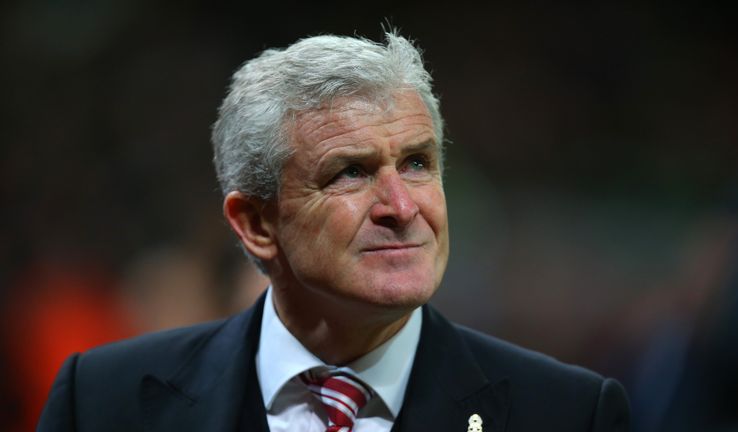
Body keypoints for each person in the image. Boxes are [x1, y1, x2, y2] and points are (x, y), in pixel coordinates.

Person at [38, 31, 630, 432]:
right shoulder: (102, 402)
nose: (402, 206)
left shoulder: (567, 413)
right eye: (351, 172)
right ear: (255, 224)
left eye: (419, 163)